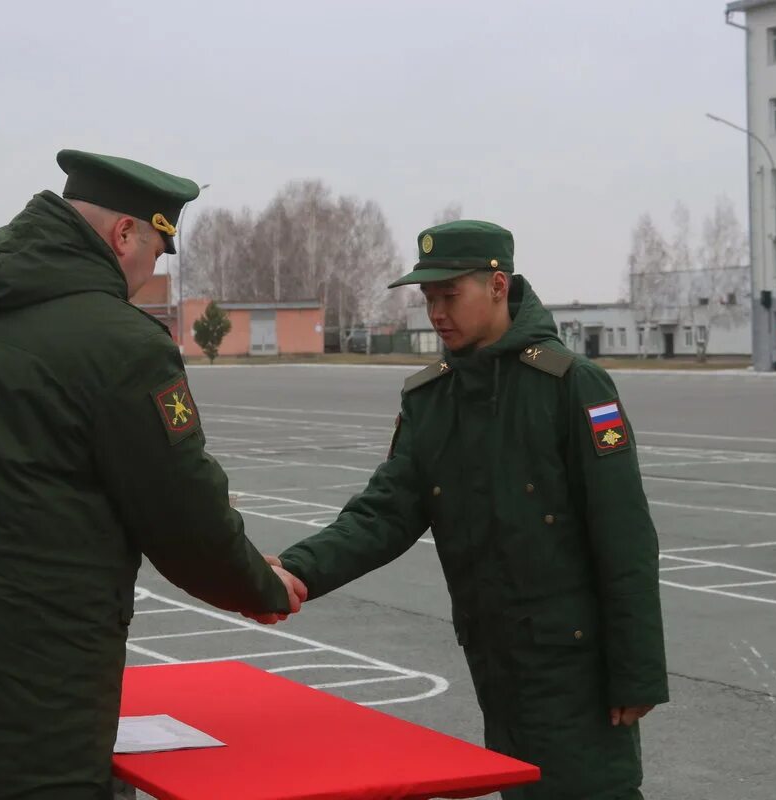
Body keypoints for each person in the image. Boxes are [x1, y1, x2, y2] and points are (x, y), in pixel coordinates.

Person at [0, 149, 307, 800]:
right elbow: (184, 513)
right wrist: (259, 585)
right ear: (123, 233)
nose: (150, 275)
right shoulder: (122, 345)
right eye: (155, 252)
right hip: (31, 719)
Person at [275, 220, 668, 799]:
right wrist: (295, 568)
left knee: (590, 790)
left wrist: (637, 672)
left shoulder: (571, 386)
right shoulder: (432, 399)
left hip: (575, 663)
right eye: (429, 298)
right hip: (494, 658)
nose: (437, 312)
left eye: (449, 295)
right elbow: (384, 513)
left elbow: (625, 534)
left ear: (498, 286)